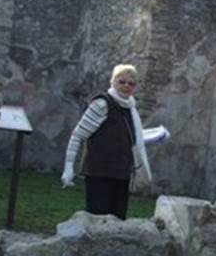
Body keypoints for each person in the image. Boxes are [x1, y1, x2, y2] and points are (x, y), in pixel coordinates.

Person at [60, 64, 152, 219]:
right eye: (121, 81)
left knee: (117, 221)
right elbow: (78, 135)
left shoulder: (131, 108)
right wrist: (68, 167)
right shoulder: (102, 104)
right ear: (113, 82)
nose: (126, 86)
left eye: (131, 83)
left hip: (121, 173)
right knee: (97, 219)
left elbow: (127, 136)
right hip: (99, 173)